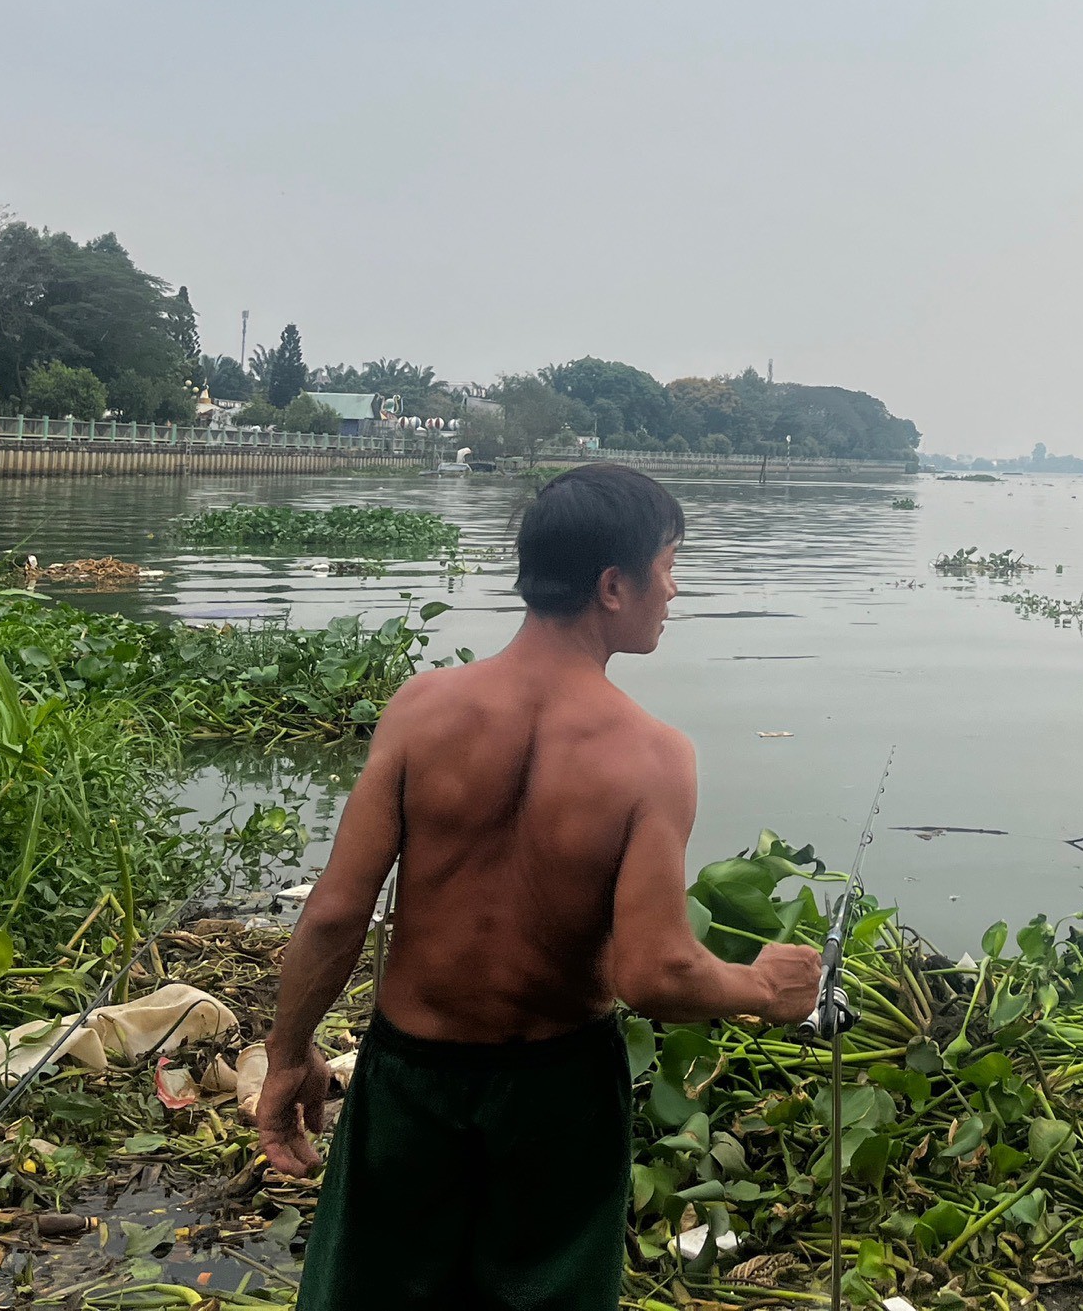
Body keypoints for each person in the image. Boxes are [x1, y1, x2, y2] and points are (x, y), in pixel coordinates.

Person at [257, 462, 823, 1310]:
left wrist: (287, 1053)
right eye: (667, 564)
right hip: (556, 1095)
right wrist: (763, 987)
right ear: (610, 584)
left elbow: (337, 912)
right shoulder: (651, 756)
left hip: (412, 1078)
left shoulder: (421, 709)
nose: (673, 588)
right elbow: (653, 972)